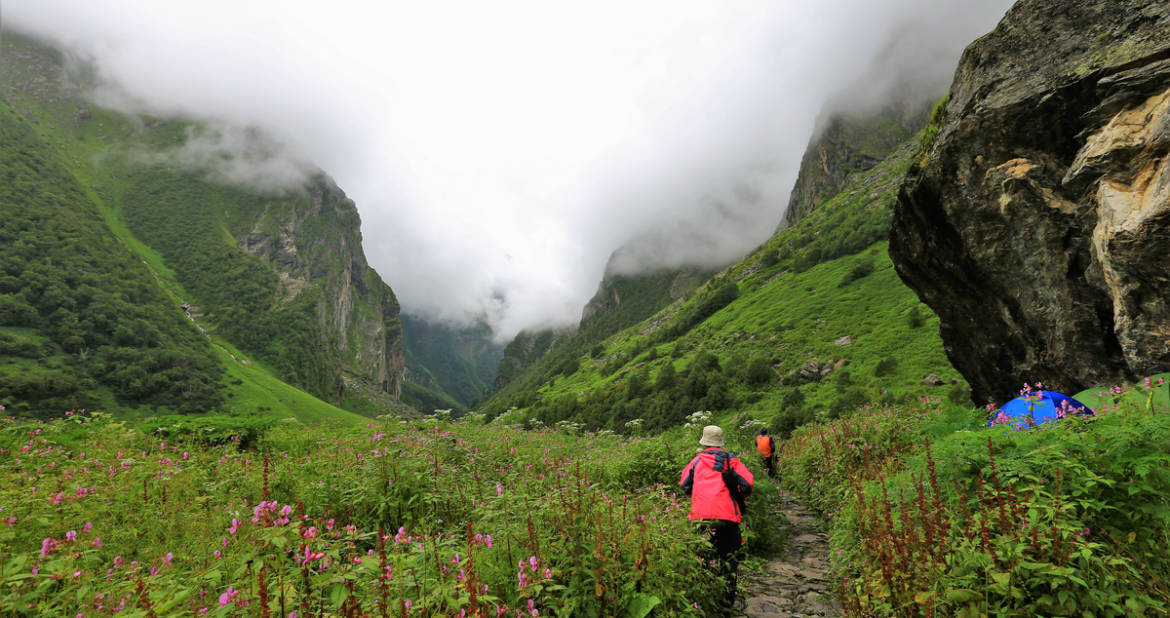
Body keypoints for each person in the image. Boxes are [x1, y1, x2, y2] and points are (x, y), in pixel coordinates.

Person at [680, 425, 753, 610]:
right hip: (727, 517)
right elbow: (747, 485)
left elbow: (684, 485)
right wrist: (737, 496)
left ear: (704, 442)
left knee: (703, 557)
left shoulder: (696, 461)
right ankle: (727, 600)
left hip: (700, 517)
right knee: (729, 558)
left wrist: (700, 497)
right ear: (721, 443)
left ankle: (704, 599)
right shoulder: (731, 461)